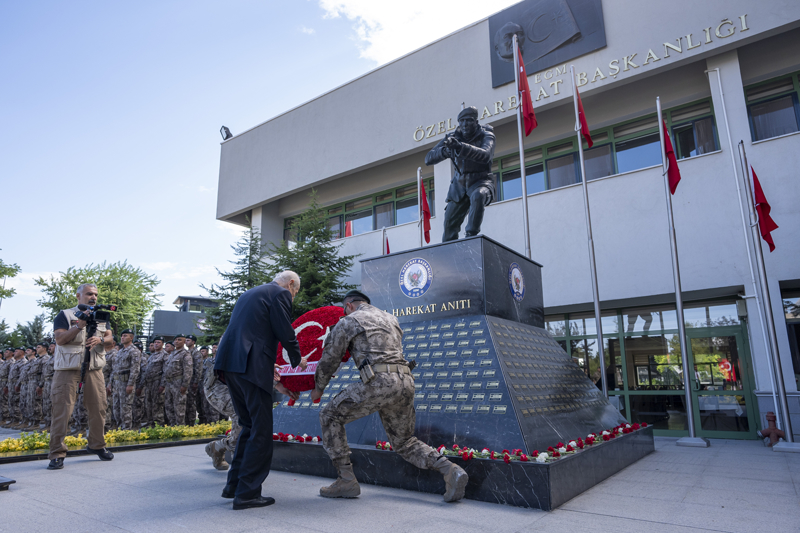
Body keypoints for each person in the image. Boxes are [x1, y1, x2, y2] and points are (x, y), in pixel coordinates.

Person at [311, 290, 468, 502]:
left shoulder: (350, 320)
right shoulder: (390, 319)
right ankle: (450, 469)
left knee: (329, 416)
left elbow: (330, 358)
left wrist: (319, 387)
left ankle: (346, 480)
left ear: (348, 305)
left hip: (378, 382)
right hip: (405, 381)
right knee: (404, 441)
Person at [214, 270, 305, 510]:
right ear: (291, 284)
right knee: (262, 431)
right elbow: (284, 329)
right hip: (251, 368)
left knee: (248, 426)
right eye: (295, 292)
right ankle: (247, 494)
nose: (293, 296)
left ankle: (234, 486)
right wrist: (298, 359)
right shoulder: (279, 293)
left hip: (231, 365)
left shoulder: (250, 293)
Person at [48, 283, 115, 470]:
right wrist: (79, 325)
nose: (93, 297)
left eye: (95, 294)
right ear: (78, 296)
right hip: (68, 370)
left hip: (94, 369)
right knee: (62, 411)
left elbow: (110, 340)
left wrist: (101, 339)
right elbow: (60, 339)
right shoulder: (65, 315)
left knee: (99, 408)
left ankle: (97, 445)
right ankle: (57, 453)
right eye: (89, 294)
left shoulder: (101, 316)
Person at [425, 105, 496, 242]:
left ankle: (471, 238)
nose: (464, 124)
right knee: (449, 226)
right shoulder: (453, 136)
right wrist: (445, 151)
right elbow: (428, 158)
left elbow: (486, 155)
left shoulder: (486, 135)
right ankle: (449, 251)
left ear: (476, 122)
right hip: (459, 186)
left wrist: (460, 147)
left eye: (468, 120)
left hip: (480, 181)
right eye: (461, 121)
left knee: (478, 196)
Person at [111, 330, 142, 429]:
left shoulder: (134, 351)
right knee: (116, 408)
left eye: (125, 336)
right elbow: (115, 369)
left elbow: (135, 369)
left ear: (131, 338)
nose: (122, 337)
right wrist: (110, 384)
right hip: (117, 383)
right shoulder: (120, 351)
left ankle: (126, 430)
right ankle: (120, 428)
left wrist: (130, 384)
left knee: (125, 408)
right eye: (122, 336)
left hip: (126, 383)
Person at [160, 334, 192, 426]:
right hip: (169, 383)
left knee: (179, 407)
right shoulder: (172, 354)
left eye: (179, 340)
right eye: (175, 340)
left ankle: (180, 428)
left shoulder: (185, 354)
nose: (176, 341)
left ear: (184, 342)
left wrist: (184, 385)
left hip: (178, 383)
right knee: (169, 407)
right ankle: (173, 426)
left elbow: (188, 371)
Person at [185, 334, 201, 426]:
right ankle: (186, 422)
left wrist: (195, 382)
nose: (186, 342)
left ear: (193, 342)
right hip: (186, 381)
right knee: (186, 402)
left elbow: (198, 369)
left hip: (192, 381)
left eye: (188, 340)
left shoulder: (196, 353)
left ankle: (191, 422)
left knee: (191, 403)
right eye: (186, 340)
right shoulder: (186, 352)